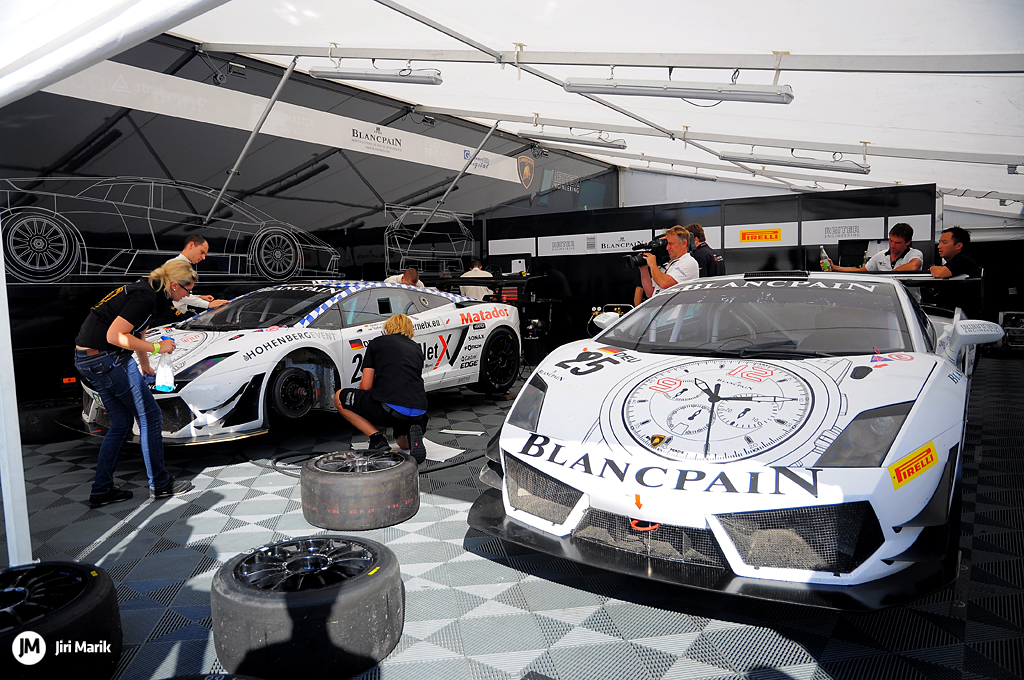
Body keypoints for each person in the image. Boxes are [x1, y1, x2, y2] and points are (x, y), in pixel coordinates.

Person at [73, 259, 197, 508]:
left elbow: (137, 331)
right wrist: (157, 347)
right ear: (174, 285)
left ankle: (101, 490)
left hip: (89, 359)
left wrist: (146, 364)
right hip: (106, 358)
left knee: (120, 423)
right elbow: (115, 336)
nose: (188, 295)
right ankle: (160, 484)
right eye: (188, 290)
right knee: (150, 416)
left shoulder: (150, 290)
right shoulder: (145, 297)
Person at [333, 313, 428, 463]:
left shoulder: (377, 343)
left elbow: (366, 386)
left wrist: (366, 397)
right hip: (419, 411)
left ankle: (377, 439)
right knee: (403, 444)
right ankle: (413, 433)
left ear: (388, 328)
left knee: (339, 397)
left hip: (389, 410)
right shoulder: (416, 348)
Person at [826, 223, 923, 272]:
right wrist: (835, 268)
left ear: (908, 242)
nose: (892, 245)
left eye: (898, 243)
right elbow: (860, 271)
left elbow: (913, 266)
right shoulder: (880, 256)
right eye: (891, 240)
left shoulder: (915, 253)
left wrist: (889, 276)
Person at [173, 235, 229, 313]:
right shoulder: (176, 266)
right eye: (202, 252)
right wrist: (208, 304)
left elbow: (181, 294)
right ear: (191, 245)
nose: (203, 257)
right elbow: (178, 295)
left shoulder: (179, 265)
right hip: (174, 314)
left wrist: (199, 297)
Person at [640, 225, 699, 297]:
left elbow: (664, 283)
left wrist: (653, 265)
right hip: (663, 304)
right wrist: (644, 270)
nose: (667, 248)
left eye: (671, 243)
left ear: (684, 243)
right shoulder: (668, 265)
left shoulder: (689, 262)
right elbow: (651, 294)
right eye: (667, 244)